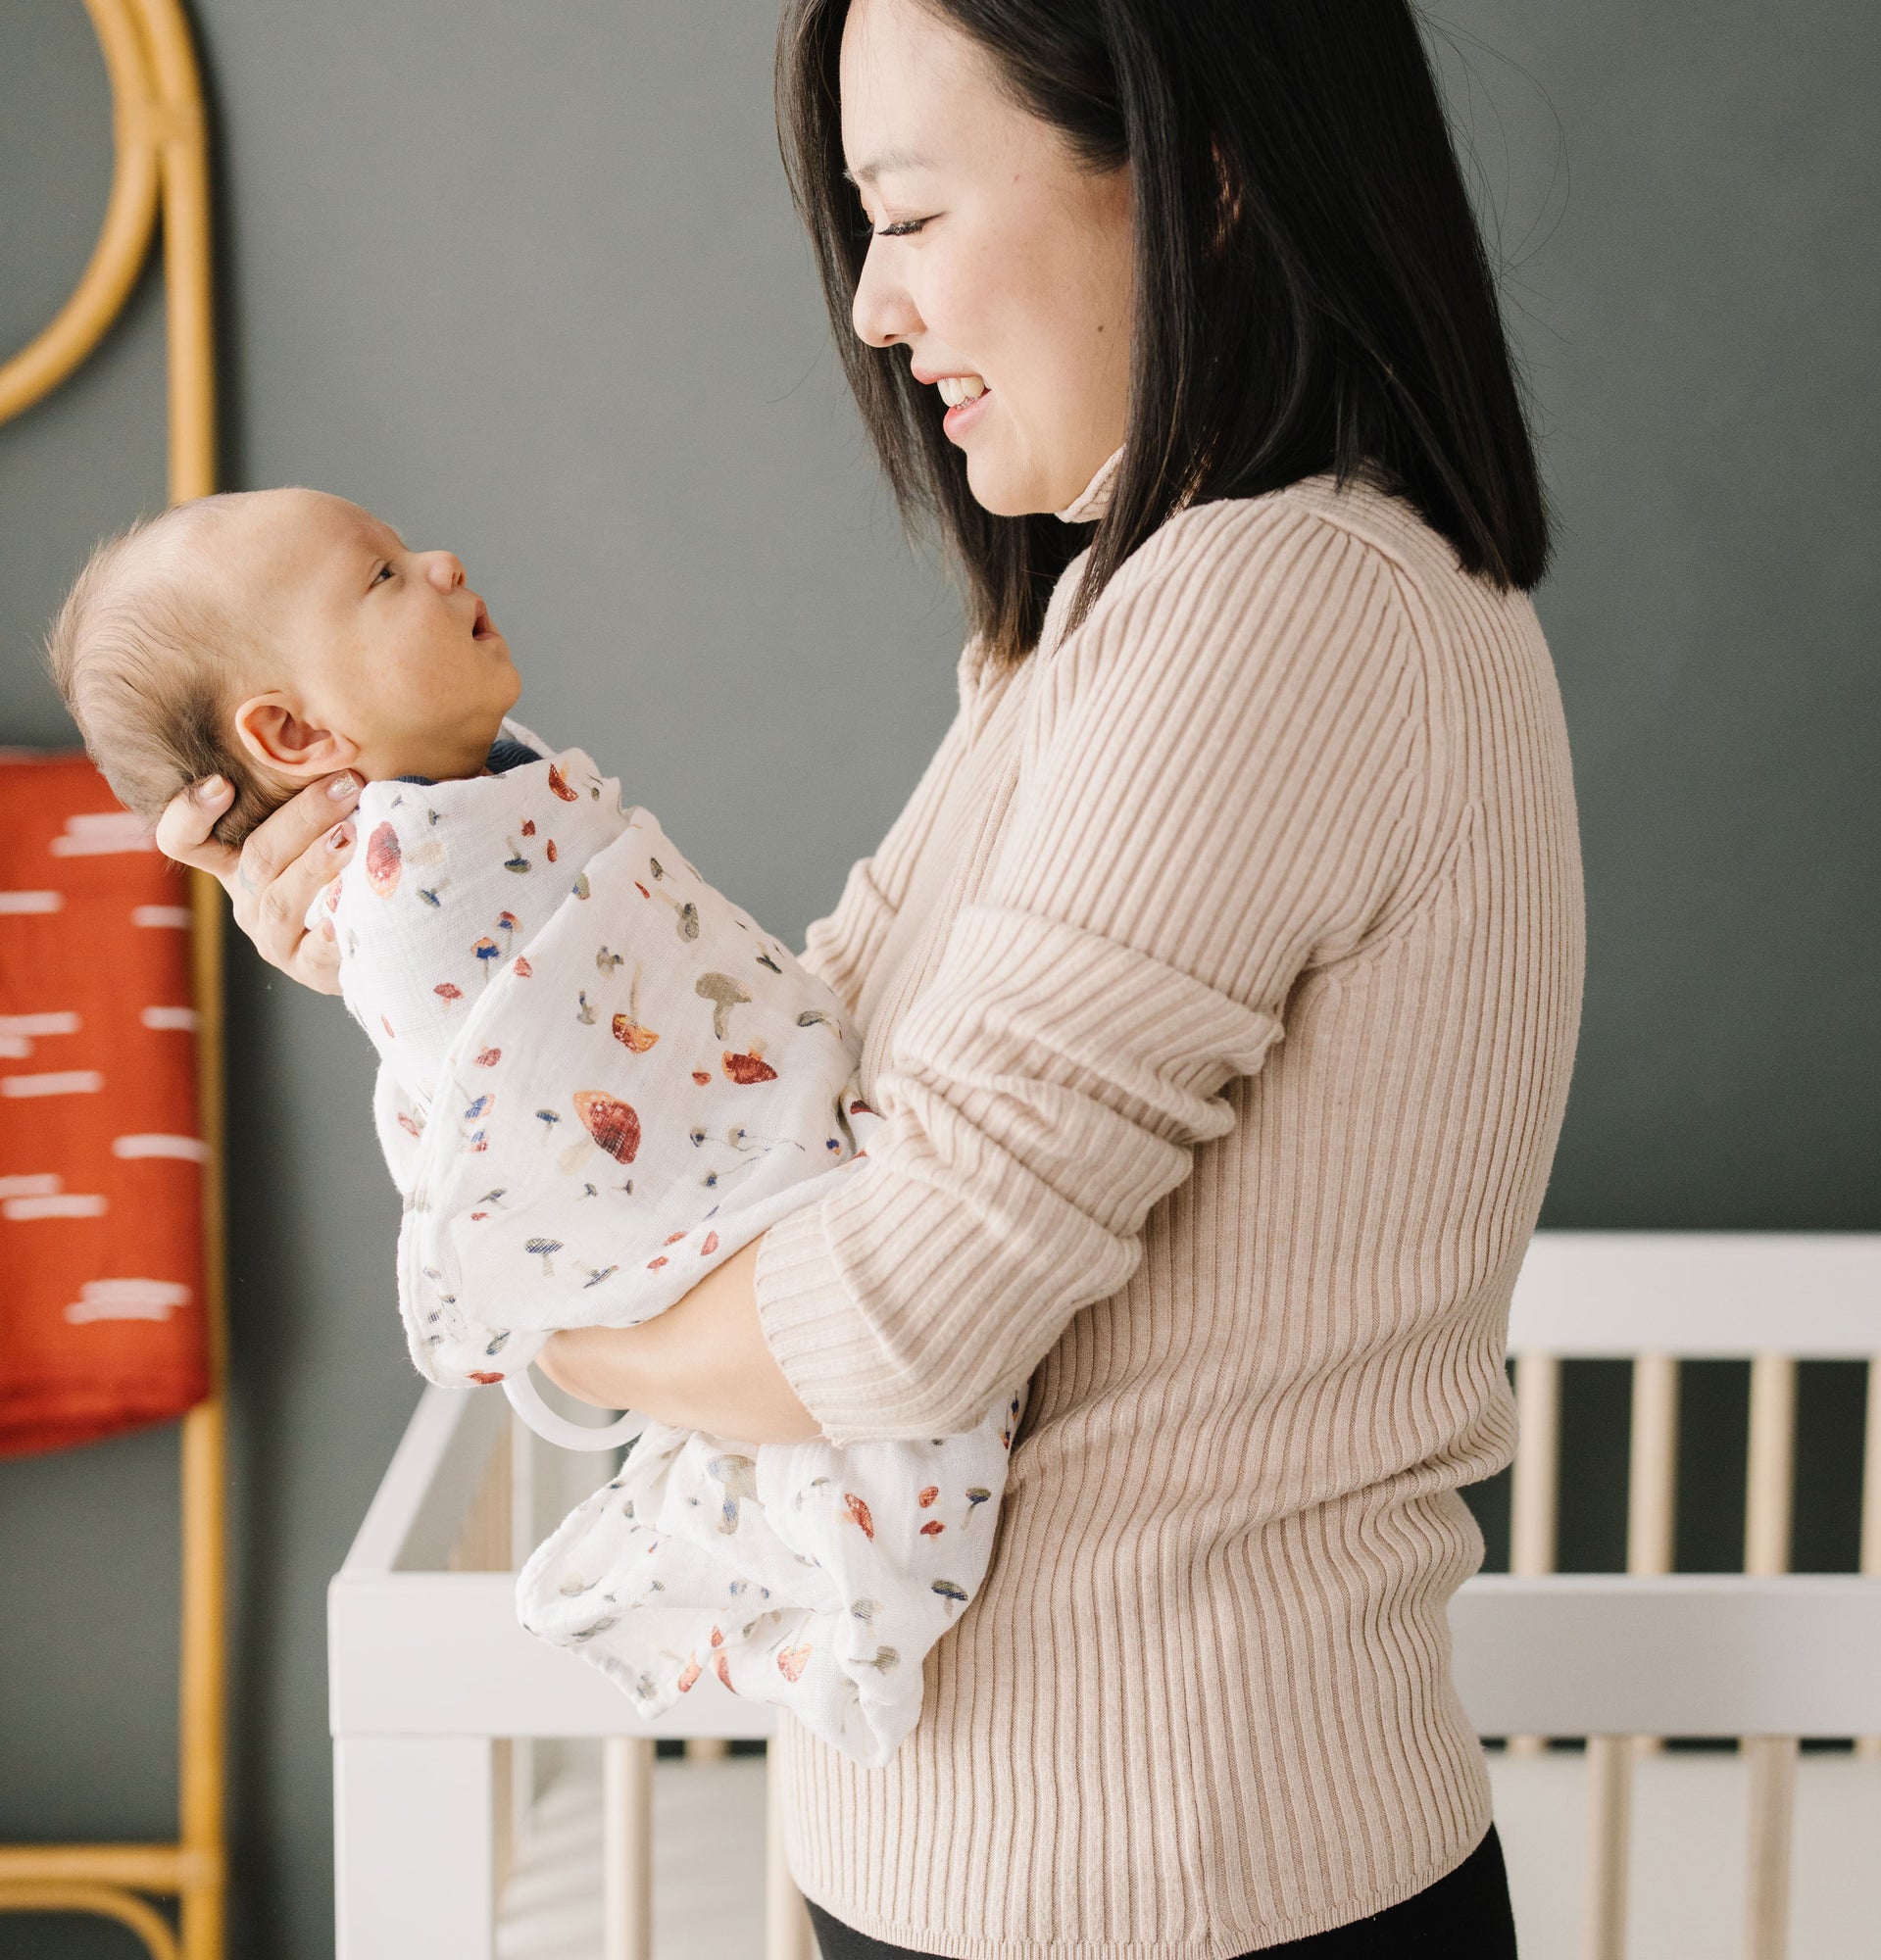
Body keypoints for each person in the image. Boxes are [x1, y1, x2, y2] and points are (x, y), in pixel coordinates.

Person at [157, 0, 1584, 1952]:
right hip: (1068, 1866)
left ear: (1208, 181)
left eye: (904, 215)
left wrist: (537, 1318)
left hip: (1168, 1875)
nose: (876, 314)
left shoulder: (1275, 614)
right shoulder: (1114, 606)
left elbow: (898, 1306)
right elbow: (798, 1071)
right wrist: (432, 927)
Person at [47, 485, 1015, 1768]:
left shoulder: (475, 790)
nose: (441, 562)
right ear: (289, 729)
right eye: (383, 578)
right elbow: (487, 1090)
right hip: (731, 1211)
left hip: (779, 1113)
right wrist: (348, 940)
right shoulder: (406, 900)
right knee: (898, 1485)